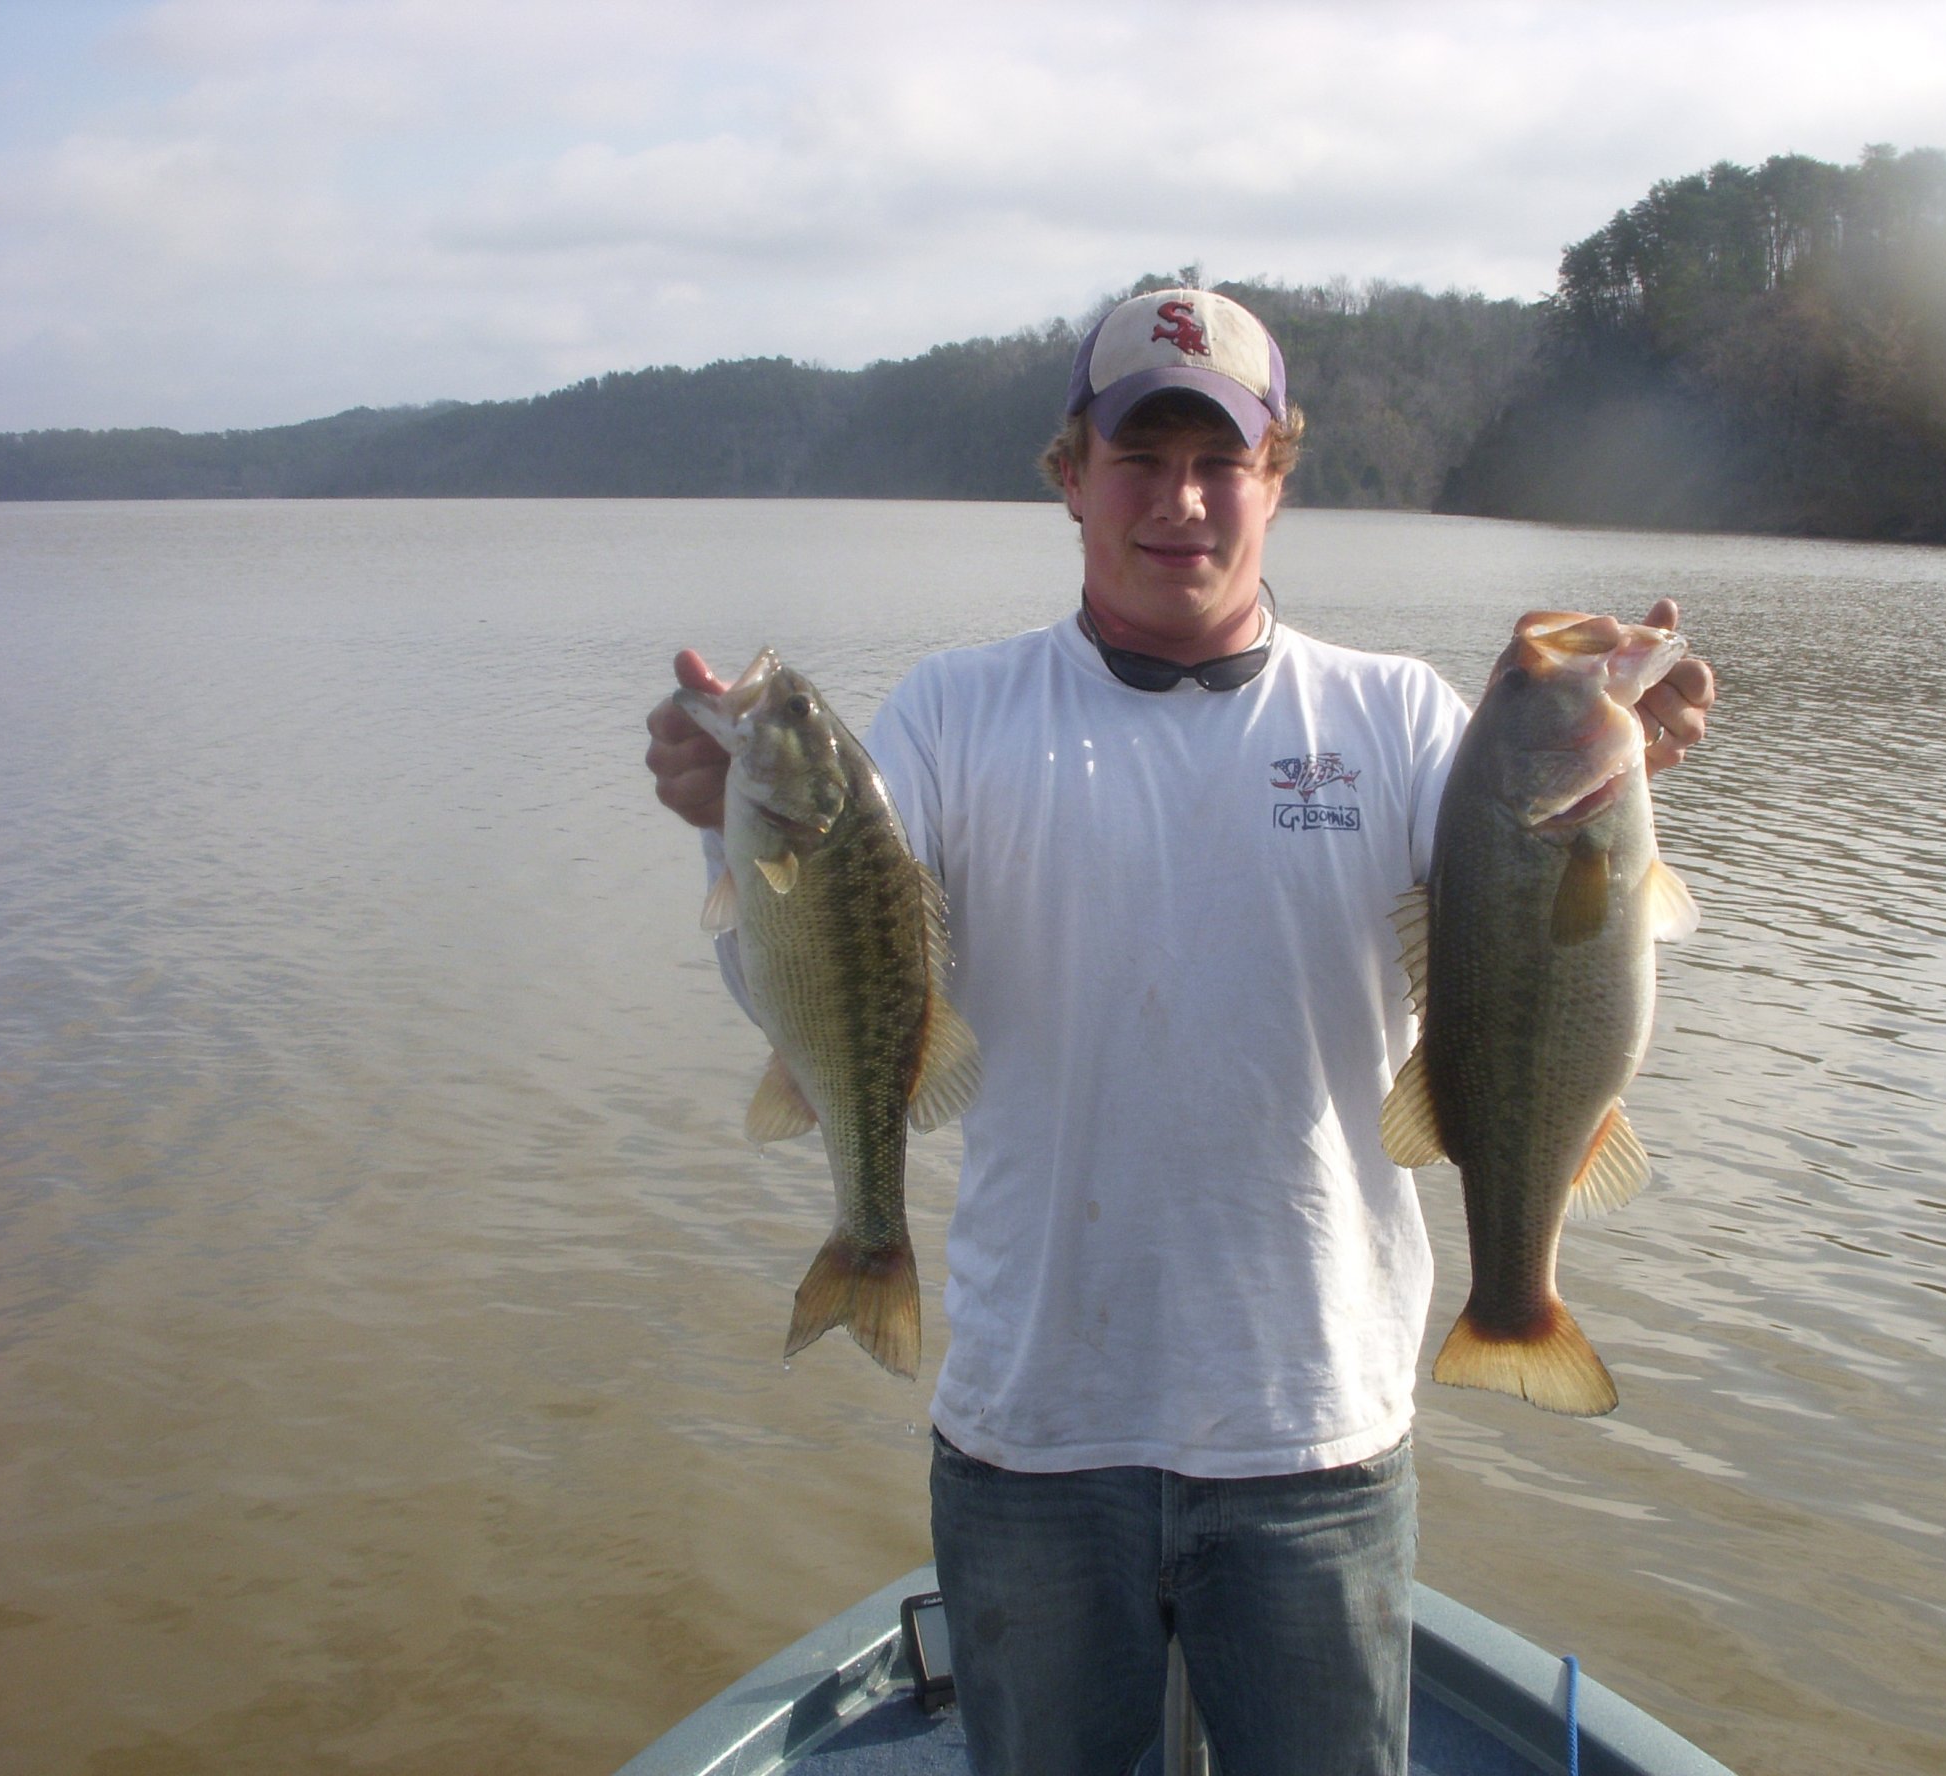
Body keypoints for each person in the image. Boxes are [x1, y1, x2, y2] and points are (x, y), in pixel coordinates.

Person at [644, 287, 1715, 1776]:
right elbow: (829, 988)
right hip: (1032, 1436)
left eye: (1221, 460)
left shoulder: (1403, 722)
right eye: (1138, 458)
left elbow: (1538, 961)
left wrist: (1618, 752)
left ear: (1277, 476)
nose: (1182, 501)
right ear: (1070, 477)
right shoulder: (953, 716)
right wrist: (730, 830)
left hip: (1315, 1436)